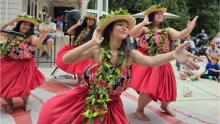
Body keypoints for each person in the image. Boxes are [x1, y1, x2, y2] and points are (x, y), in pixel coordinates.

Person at [37, 9, 200, 124]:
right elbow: (67, 58)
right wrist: (92, 42)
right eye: (120, 24)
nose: (125, 27)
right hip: (85, 100)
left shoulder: (130, 55)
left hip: (112, 106)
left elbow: (152, 61)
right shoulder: (97, 51)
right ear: (110, 29)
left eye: (126, 25)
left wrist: (173, 55)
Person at [129, 5, 199, 120]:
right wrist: (143, 22)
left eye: (161, 14)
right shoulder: (145, 29)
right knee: (148, 90)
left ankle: (164, 106)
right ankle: (139, 110)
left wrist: (189, 29)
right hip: (146, 61)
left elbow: (180, 34)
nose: (160, 15)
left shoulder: (167, 30)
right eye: (157, 13)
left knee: (168, 90)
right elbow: (131, 33)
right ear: (151, 16)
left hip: (163, 62)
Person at [0, 14, 47, 113]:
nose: (26, 27)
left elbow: (38, 43)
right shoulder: (11, 33)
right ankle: (10, 104)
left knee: (24, 86)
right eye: (24, 24)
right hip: (9, 62)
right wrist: (8, 23)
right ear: (19, 24)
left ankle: (25, 103)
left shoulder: (31, 37)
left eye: (29, 25)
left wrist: (42, 37)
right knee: (2, 84)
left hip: (25, 65)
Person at [54, 13, 96, 77]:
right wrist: (77, 24)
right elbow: (69, 31)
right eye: (89, 19)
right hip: (77, 48)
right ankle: (79, 81)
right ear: (86, 20)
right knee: (77, 66)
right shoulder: (81, 28)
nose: (90, 21)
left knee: (83, 68)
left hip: (86, 50)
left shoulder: (95, 30)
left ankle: (83, 81)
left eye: (92, 20)